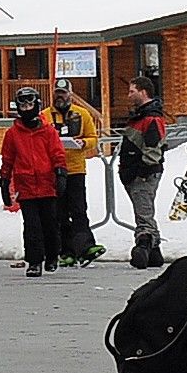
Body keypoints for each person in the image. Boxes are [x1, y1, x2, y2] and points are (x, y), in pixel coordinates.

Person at [0, 87, 68, 277]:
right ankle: (34, 261)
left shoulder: (48, 131)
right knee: (32, 226)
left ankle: (53, 255)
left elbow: (57, 154)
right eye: (23, 105)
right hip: (26, 185)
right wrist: (4, 181)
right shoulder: (13, 134)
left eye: (30, 104)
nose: (27, 108)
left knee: (50, 223)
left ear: (36, 105)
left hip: (47, 184)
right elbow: (8, 158)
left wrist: (61, 174)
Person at [49, 80, 104, 267]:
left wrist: (83, 143)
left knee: (79, 210)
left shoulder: (82, 114)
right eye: (57, 92)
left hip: (76, 169)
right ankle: (66, 251)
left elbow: (93, 138)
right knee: (59, 212)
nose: (60, 96)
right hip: (54, 171)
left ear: (70, 95)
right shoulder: (45, 116)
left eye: (63, 93)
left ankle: (86, 246)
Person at [119, 75, 170, 269]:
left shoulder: (151, 117)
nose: (129, 95)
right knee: (143, 211)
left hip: (143, 174)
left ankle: (143, 244)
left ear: (143, 92)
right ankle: (154, 253)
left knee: (143, 214)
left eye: (132, 91)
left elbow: (153, 147)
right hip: (134, 172)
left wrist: (143, 170)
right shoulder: (141, 116)